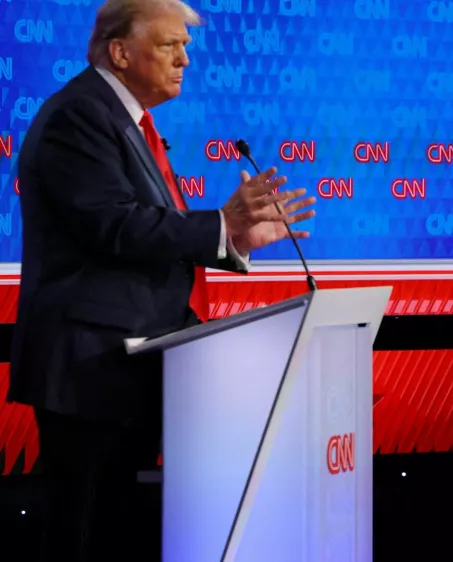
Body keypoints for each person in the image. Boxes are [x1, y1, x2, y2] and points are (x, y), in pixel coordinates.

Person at [6, 0, 317, 559]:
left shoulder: (124, 121)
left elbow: (145, 233)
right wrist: (220, 224)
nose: (185, 59)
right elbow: (115, 225)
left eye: (186, 46)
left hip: (125, 368)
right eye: (170, 45)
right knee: (82, 536)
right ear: (121, 52)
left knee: (114, 532)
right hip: (88, 370)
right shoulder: (80, 115)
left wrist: (234, 239)